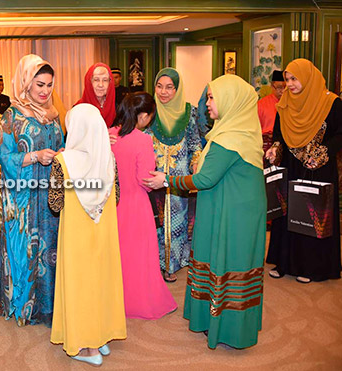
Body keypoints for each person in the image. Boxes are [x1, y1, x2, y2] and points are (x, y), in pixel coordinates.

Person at [144, 74, 266, 349]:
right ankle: (214, 319)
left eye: (212, 97)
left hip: (235, 212)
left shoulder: (229, 138)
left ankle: (227, 328)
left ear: (230, 100)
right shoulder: (235, 129)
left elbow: (204, 180)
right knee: (217, 257)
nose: (206, 104)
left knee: (228, 261)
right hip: (228, 203)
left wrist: (167, 180)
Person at [49, 103, 126, 366]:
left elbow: (55, 204)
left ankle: (86, 348)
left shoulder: (63, 162)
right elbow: (115, 197)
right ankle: (101, 338)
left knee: (79, 285)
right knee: (100, 282)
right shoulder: (109, 158)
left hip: (75, 236)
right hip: (102, 233)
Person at [0, 54, 64, 326]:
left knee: (52, 247)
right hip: (23, 196)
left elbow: (60, 143)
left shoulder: (54, 113)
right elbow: (4, 157)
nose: (45, 91)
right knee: (27, 250)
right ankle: (25, 306)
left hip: (51, 191)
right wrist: (35, 156)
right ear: (25, 84)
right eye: (39, 85)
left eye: (49, 85)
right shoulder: (12, 115)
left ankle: (49, 303)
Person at [265, 59, 342, 283]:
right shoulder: (285, 104)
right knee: (288, 213)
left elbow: (339, 133)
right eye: (287, 80)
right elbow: (279, 135)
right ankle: (284, 262)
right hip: (291, 165)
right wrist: (275, 147)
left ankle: (310, 266)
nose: (289, 84)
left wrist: (323, 152)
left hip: (317, 168)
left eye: (294, 79)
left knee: (311, 214)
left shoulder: (332, 103)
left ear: (308, 77)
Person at [110, 92, 177, 319]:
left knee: (115, 255)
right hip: (136, 205)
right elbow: (145, 180)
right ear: (145, 116)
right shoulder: (143, 140)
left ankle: (114, 300)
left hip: (111, 204)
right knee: (138, 257)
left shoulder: (108, 135)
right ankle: (139, 302)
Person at [145, 67, 202, 283]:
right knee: (155, 222)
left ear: (177, 89)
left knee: (177, 222)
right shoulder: (149, 110)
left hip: (179, 180)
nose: (163, 92)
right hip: (153, 177)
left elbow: (195, 143)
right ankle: (155, 262)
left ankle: (171, 265)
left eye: (169, 87)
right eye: (159, 86)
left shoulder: (190, 112)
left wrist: (196, 163)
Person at [75, 63, 116, 127]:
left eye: (105, 80)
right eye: (96, 80)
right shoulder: (78, 109)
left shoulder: (118, 108)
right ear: (89, 82)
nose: (101, 85)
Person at [258, 70, 286, 153]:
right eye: (280, 87)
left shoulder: (293, 104)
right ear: (272, 86)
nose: (283, 91)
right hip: (267, 146)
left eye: (286, 87)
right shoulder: (261, 104)